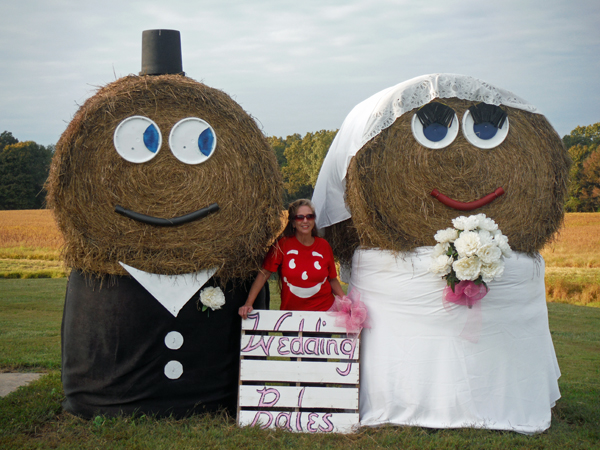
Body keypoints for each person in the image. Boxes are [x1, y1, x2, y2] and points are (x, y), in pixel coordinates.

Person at [239, 199, 344, 319]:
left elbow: (332, 280)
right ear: (293, 223)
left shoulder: (324, 245)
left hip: (323, 315)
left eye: (309, 216)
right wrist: (248, 303)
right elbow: (264, 273)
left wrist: (346, 302)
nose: (305, 221)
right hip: (291, 317)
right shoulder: (282, 245)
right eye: (300, 217)